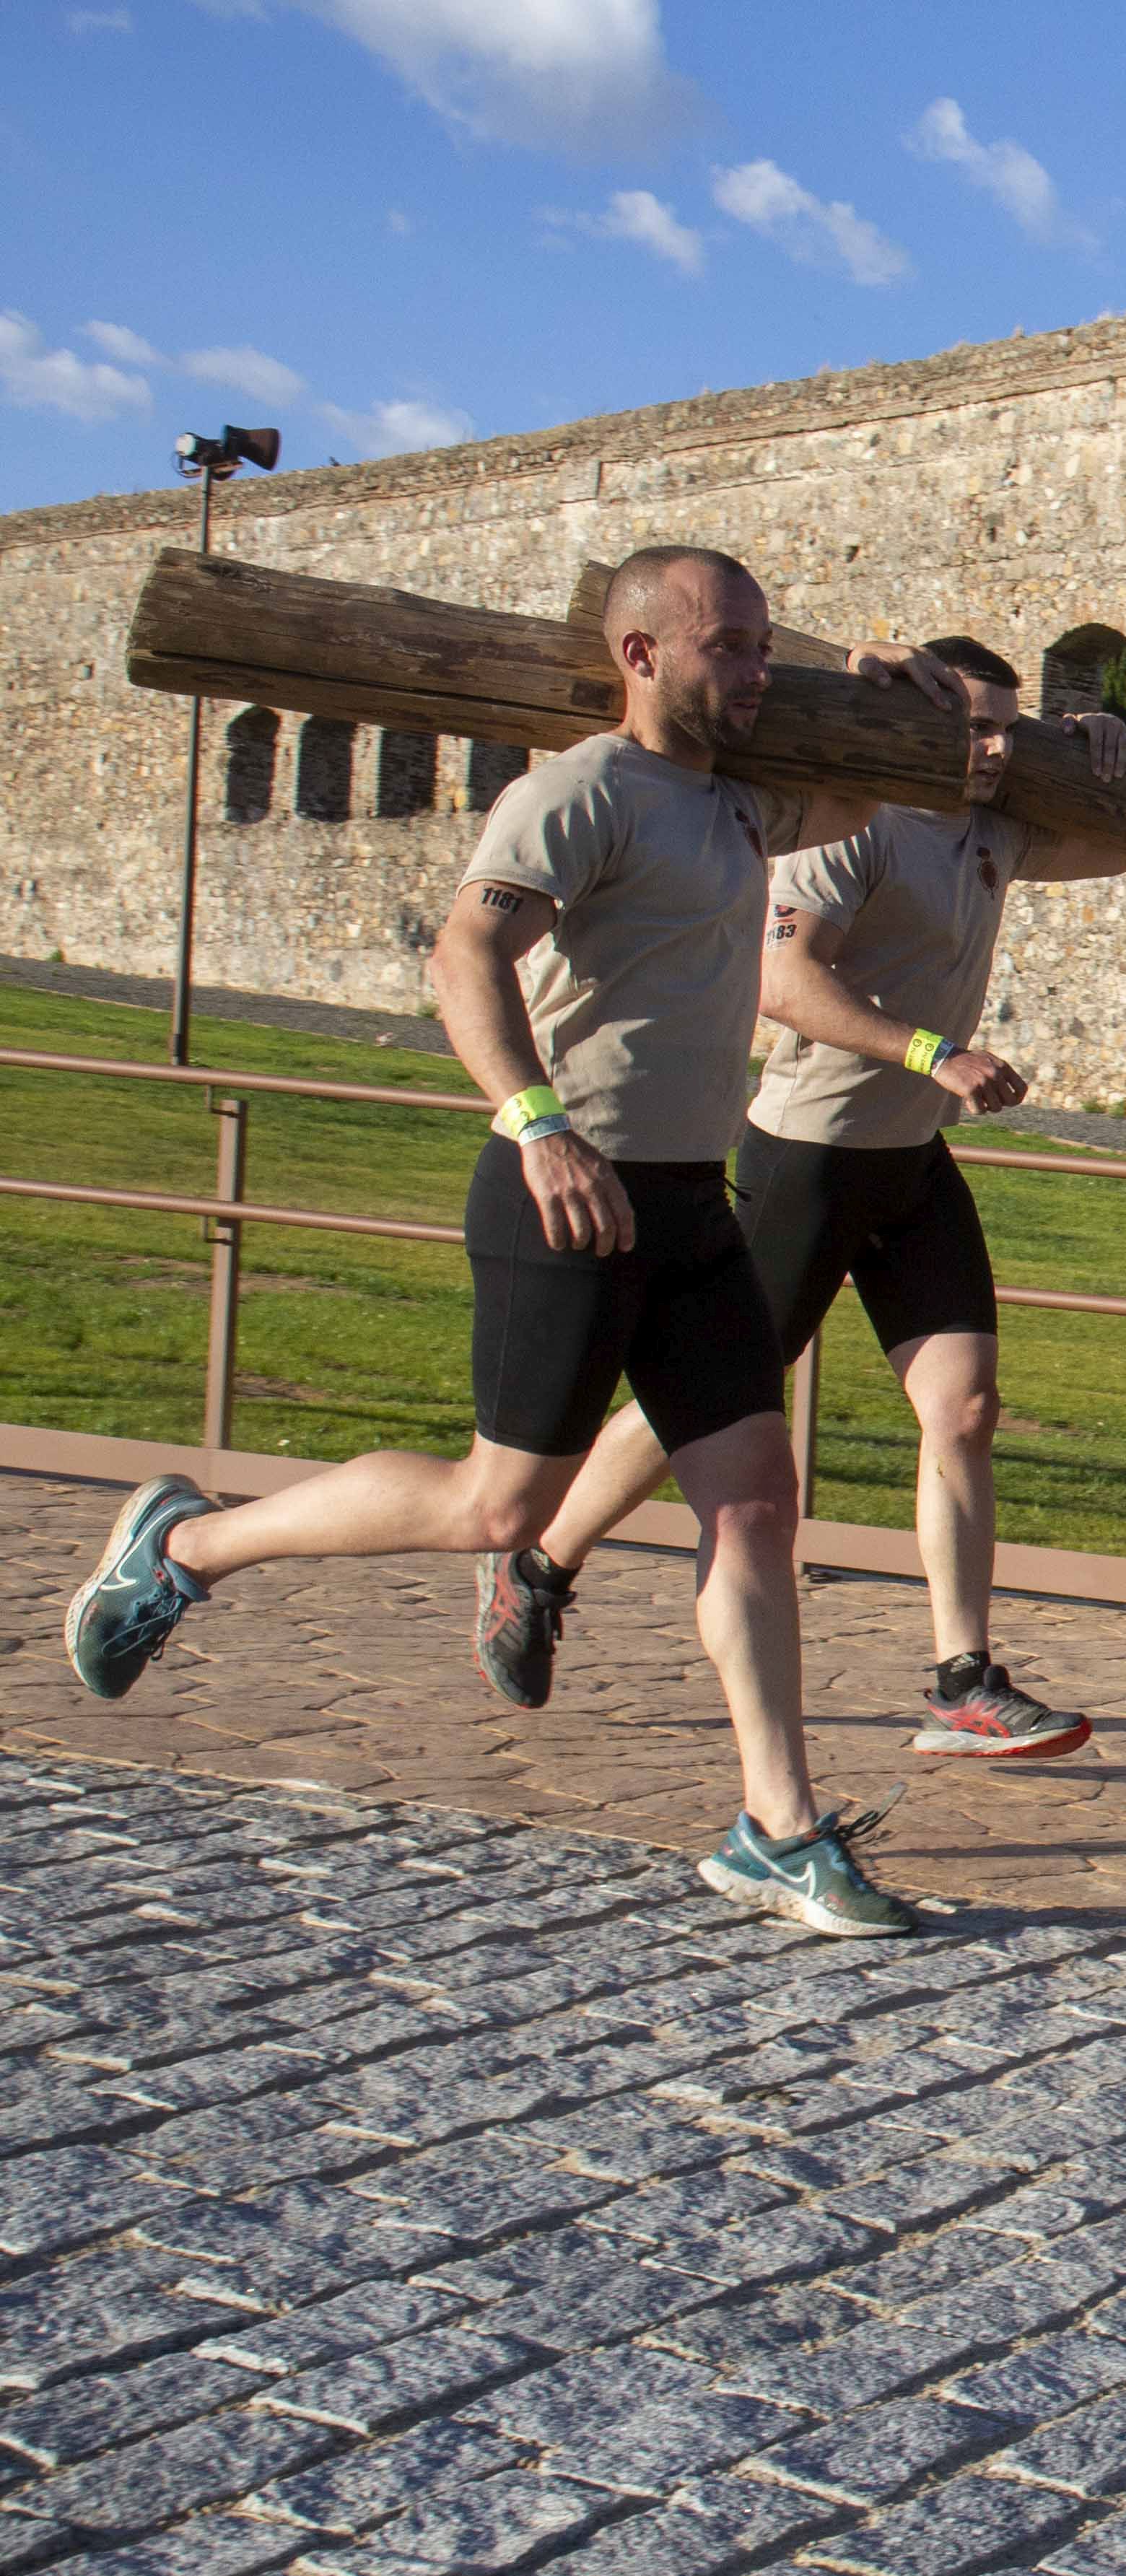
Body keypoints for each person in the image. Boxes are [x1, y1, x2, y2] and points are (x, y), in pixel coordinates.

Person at [67, 545, 973, 1940]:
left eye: (761, 646)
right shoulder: (579, 793)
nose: (752, 669)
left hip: (688, 1201)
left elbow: (878, 791)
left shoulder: (742, 803)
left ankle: (777, 1829)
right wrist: (536, 1123)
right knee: (498, 1511)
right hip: (566, 1187)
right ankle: (188, 1546)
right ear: (641, 653)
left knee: (753, 1506)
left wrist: (901, 698)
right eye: (728, 645)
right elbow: (462, 959)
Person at [487, 639, 1126, 1764]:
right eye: (969, 729)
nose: (988, 753)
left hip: (910, 1160)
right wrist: (931, 1050)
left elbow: (1114, 856)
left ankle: (962, 1682)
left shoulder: (997, 826)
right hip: (809, 1153)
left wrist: (1095, 759)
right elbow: (782, 979)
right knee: (703, 1408)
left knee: (966, 1409)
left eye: (1007, 732)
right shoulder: (858, 827)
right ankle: (540, 1563)